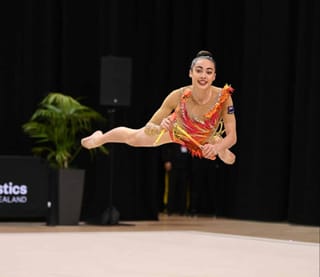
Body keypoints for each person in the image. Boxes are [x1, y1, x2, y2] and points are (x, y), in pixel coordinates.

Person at [81, 50, 237, 164]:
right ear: (191, 73)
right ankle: (100, 138)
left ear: (214, 76)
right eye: (199, 70)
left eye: (209, 72)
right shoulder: (178, 95)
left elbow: (232, 136)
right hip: (177, 130)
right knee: (134, 138)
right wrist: (160, 125)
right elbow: (151, 126)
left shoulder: (223, 97)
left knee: (230, 159)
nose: (203, 76)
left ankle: (221, 150)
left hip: (207, 135)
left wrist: (217, 149)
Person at [160, 143, 191, 215]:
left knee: (183, 188)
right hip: (173, 164)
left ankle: (182, 209)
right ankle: (169, 209)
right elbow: (165, 146)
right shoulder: (172, 134)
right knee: (171, 187)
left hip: (185, 164)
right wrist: (166, 160)